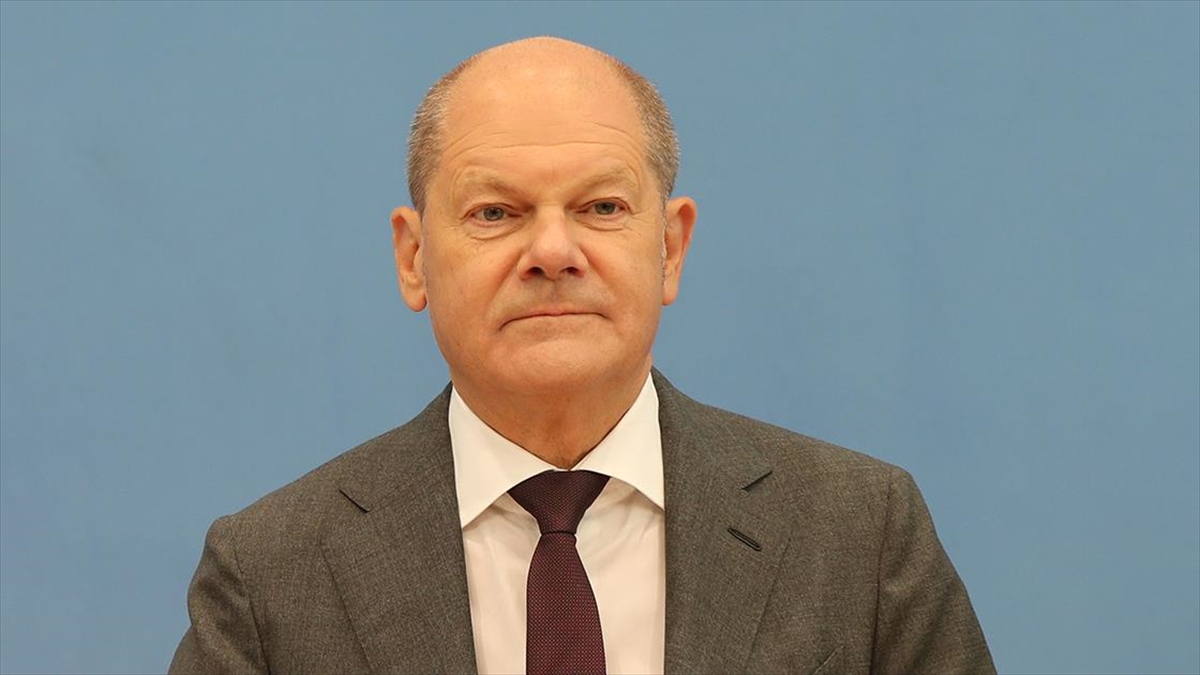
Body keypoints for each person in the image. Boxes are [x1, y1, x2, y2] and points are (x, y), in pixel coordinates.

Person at [170, 36, 995, 675]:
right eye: (495, 213)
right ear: (413, 258)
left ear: (669, 248)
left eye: (601, 207)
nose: (553, 252)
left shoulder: (859, 531)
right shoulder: (271, 572)